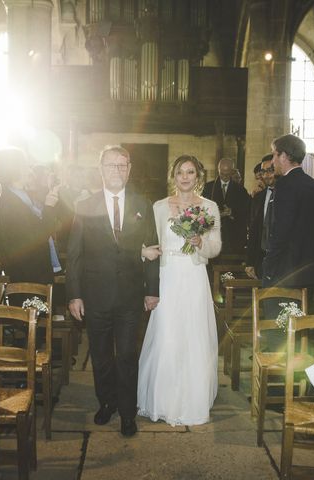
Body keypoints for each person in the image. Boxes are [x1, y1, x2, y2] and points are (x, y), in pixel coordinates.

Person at [66, 145, 160, 437]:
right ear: (101, 170)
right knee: (102, 355)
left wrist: (152, 290)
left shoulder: (143, 204)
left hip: (131, 296)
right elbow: (75, 254)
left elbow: (153, 248)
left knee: (128, 355)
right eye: (111, 165)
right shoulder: (85, 206)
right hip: (95, 296)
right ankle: (106, 402)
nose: (117, 171)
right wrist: (74, 294)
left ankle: (128, 413)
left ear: (130, 169)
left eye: (123, 165)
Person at [137, 155, 221, 426]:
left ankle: (192, 400)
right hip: (167, 276)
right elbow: (149, 241)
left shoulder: (209, 207)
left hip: (194, 276)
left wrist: (200, 242)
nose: (185, 177)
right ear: (173, 176)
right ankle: (163, 400)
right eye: (180, 172)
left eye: (191, 172)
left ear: (199, 177)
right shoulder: (159, 207)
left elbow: (216, 246)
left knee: (193, 335)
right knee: (167, 335)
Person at [0, 147, 59, 284]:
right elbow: (37, 236)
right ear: (14, 169)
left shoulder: (19, 196)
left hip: (33, 270)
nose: (29, 170)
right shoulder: (11, 201)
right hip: (28, 273)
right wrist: (49, 207)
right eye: (25, 165)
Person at [262, 134, 314, 288]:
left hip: (287, 271)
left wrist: (269, 266)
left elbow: (281, 229)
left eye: (274, 155)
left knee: (279, 312)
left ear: (284, 156)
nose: (273, 161)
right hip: (310, 269)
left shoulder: (285, 184)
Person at [202, 157, 249, 254]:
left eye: (227, 174)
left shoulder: (241, 190)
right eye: (222, 173)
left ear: (232, 171)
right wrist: (217, 214)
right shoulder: (208, 188)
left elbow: (246, 212)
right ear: (218, 170)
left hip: (233, 238)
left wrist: (232, 212)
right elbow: (201, 212)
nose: (224, 177)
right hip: (213, 237)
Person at [246, 154, 275, 279]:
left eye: (270, 171)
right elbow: (253, 231)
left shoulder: (287, 194)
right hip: (261, 258)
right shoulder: (258, 198)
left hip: (283, 259)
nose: (266, 175)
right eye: (263, 172)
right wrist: (250, 262)